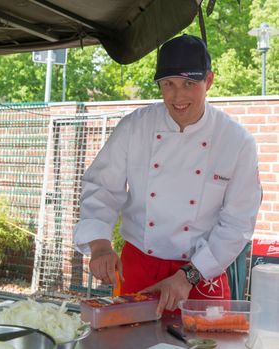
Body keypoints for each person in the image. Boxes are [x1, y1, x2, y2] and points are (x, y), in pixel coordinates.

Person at [73, 34, 262, 315]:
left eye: (189, 83)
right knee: (130, 342)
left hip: (201, 272)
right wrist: (100, 245)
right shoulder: (134, 127)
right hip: (138, 269)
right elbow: (101, 187)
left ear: (208, 81)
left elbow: (237, 223)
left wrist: (188, 277)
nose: (178, 96)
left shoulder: (236, 141)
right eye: (168, 84)